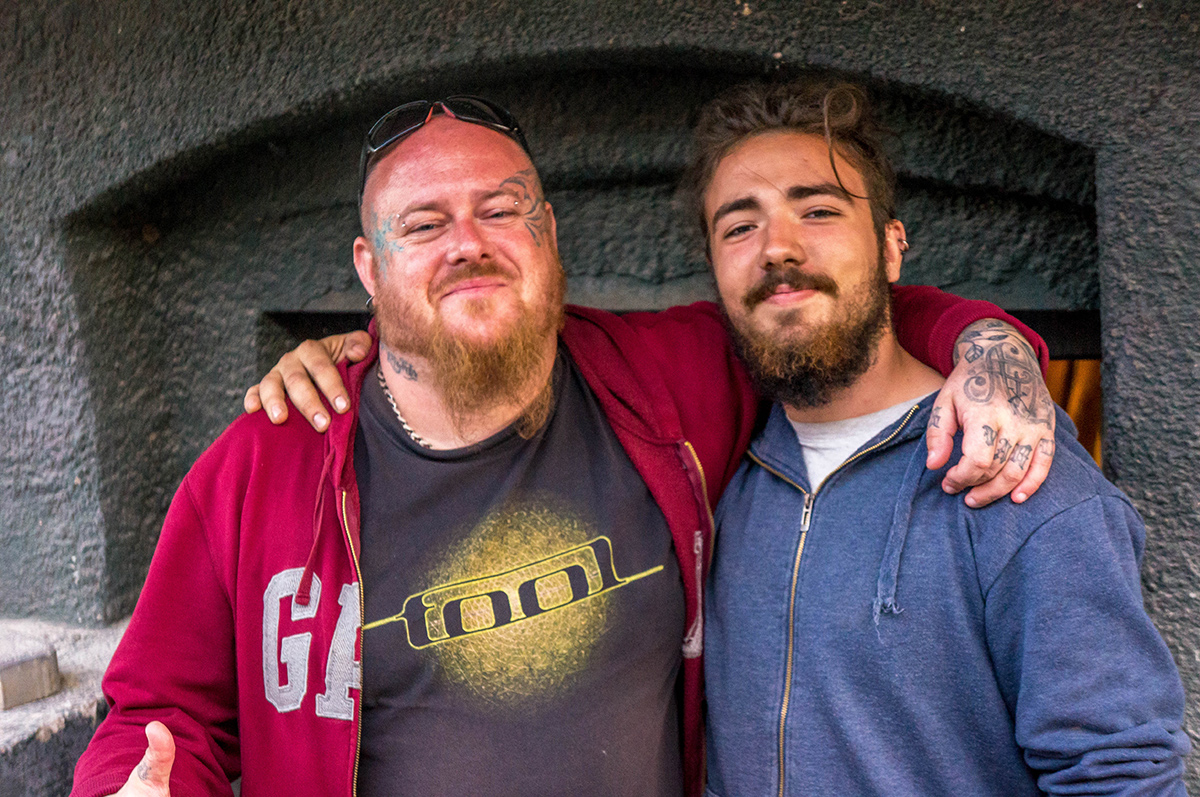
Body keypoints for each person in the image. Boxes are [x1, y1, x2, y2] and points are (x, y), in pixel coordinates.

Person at [72, 95, 1053, 797]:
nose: (469, 241)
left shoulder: (665, 378)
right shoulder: (265, 462)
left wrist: (988, 346)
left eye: (500, 208)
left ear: (546, 230)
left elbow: (820, 309)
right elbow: (161, 714)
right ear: (370, 268)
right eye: (425, 223)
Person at [688, 81, 1189, 795]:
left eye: (819, 210)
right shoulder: (726, 471)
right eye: (739, 226)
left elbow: (1118, 775)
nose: (778, 248)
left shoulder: (1015, 469)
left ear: (891, 248)